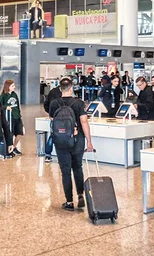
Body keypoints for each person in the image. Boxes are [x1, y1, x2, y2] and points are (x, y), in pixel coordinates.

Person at [48, 78, 94, 211]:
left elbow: (52, 121)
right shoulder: (78, 103)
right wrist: (89, 141)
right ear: (71, 88)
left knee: (65, 171)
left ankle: (69, 201)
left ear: (60, 89)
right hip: (77, 139)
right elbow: (84, 122)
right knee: (77, 167)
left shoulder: (54, 103)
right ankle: (80, 195)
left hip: (61, 140)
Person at [0, 80, 24, 156]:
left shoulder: (14, 94)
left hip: (17, 117)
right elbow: (0, 106)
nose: (14, 87)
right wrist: (6, 107)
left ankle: (14, 147)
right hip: (9, 117)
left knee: (20, 133)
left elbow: (17, 106)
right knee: (10, 133)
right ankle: (9, 148)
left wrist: (19, 115)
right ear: (8, 86)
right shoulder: (3, 96)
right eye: (12, 86)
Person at [43, 78, 64, 164]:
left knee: (59, 136)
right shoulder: (54, 92)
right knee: (53, 135)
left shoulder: (66, 92)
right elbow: (47, 103)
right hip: (55, 118)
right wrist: (51, 114)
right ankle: (48, 154)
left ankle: (61, 155)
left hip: (64, 118)